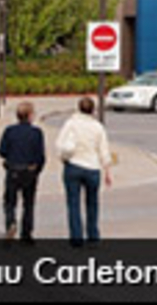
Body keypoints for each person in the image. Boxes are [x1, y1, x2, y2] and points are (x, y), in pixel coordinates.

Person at [56, 97, 113, 247]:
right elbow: (104, 150)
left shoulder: (71, 124)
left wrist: (63, 158)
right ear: (93, 110)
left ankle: (76, 236)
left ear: (78, 108)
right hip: (93, 167)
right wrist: (107, 170)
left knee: (73, 203)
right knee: (92, 203)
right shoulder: (97, 127)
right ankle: (93, 235)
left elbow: (60, 144)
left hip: (74, 165)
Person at [0, 101, 46, 243]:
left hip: (13, 169)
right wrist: (37, 170)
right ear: (30, 116)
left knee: (10, 202)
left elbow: (2, 151)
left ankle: (10, 223)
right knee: (28, 203)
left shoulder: (9, 131)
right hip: (30, 171)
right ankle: (27, 234)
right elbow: (40, 155)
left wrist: (10, 158)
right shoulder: (37, 133)